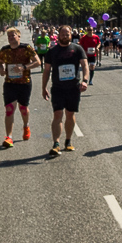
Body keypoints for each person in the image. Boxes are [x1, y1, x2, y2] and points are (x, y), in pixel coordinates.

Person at [41, 25, 88, 156]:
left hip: (73, 88)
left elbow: (85, 65)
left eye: (67, 34)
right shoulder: (52, 51)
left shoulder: (77, 49)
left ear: (71, 35)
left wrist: (84, 80)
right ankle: (56, 144)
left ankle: (68, 141)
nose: (65, 36)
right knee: (57, 114)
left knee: (70, 114)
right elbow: (46, 70)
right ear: (58, 35)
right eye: (62, 34)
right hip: (57, 88)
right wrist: (43, 87)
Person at [0, 27, 42, 147]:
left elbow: (37, 62)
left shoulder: (26, 48)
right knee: (9, 109)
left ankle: (26, 126)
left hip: (24, 83)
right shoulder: (4, 50)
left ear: (18, 36)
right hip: (10, 83)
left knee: (23, 109)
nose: (11, 38)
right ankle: (8, 137)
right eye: (9, 36)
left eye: (13, 35)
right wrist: (1, 70)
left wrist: (24, 68)